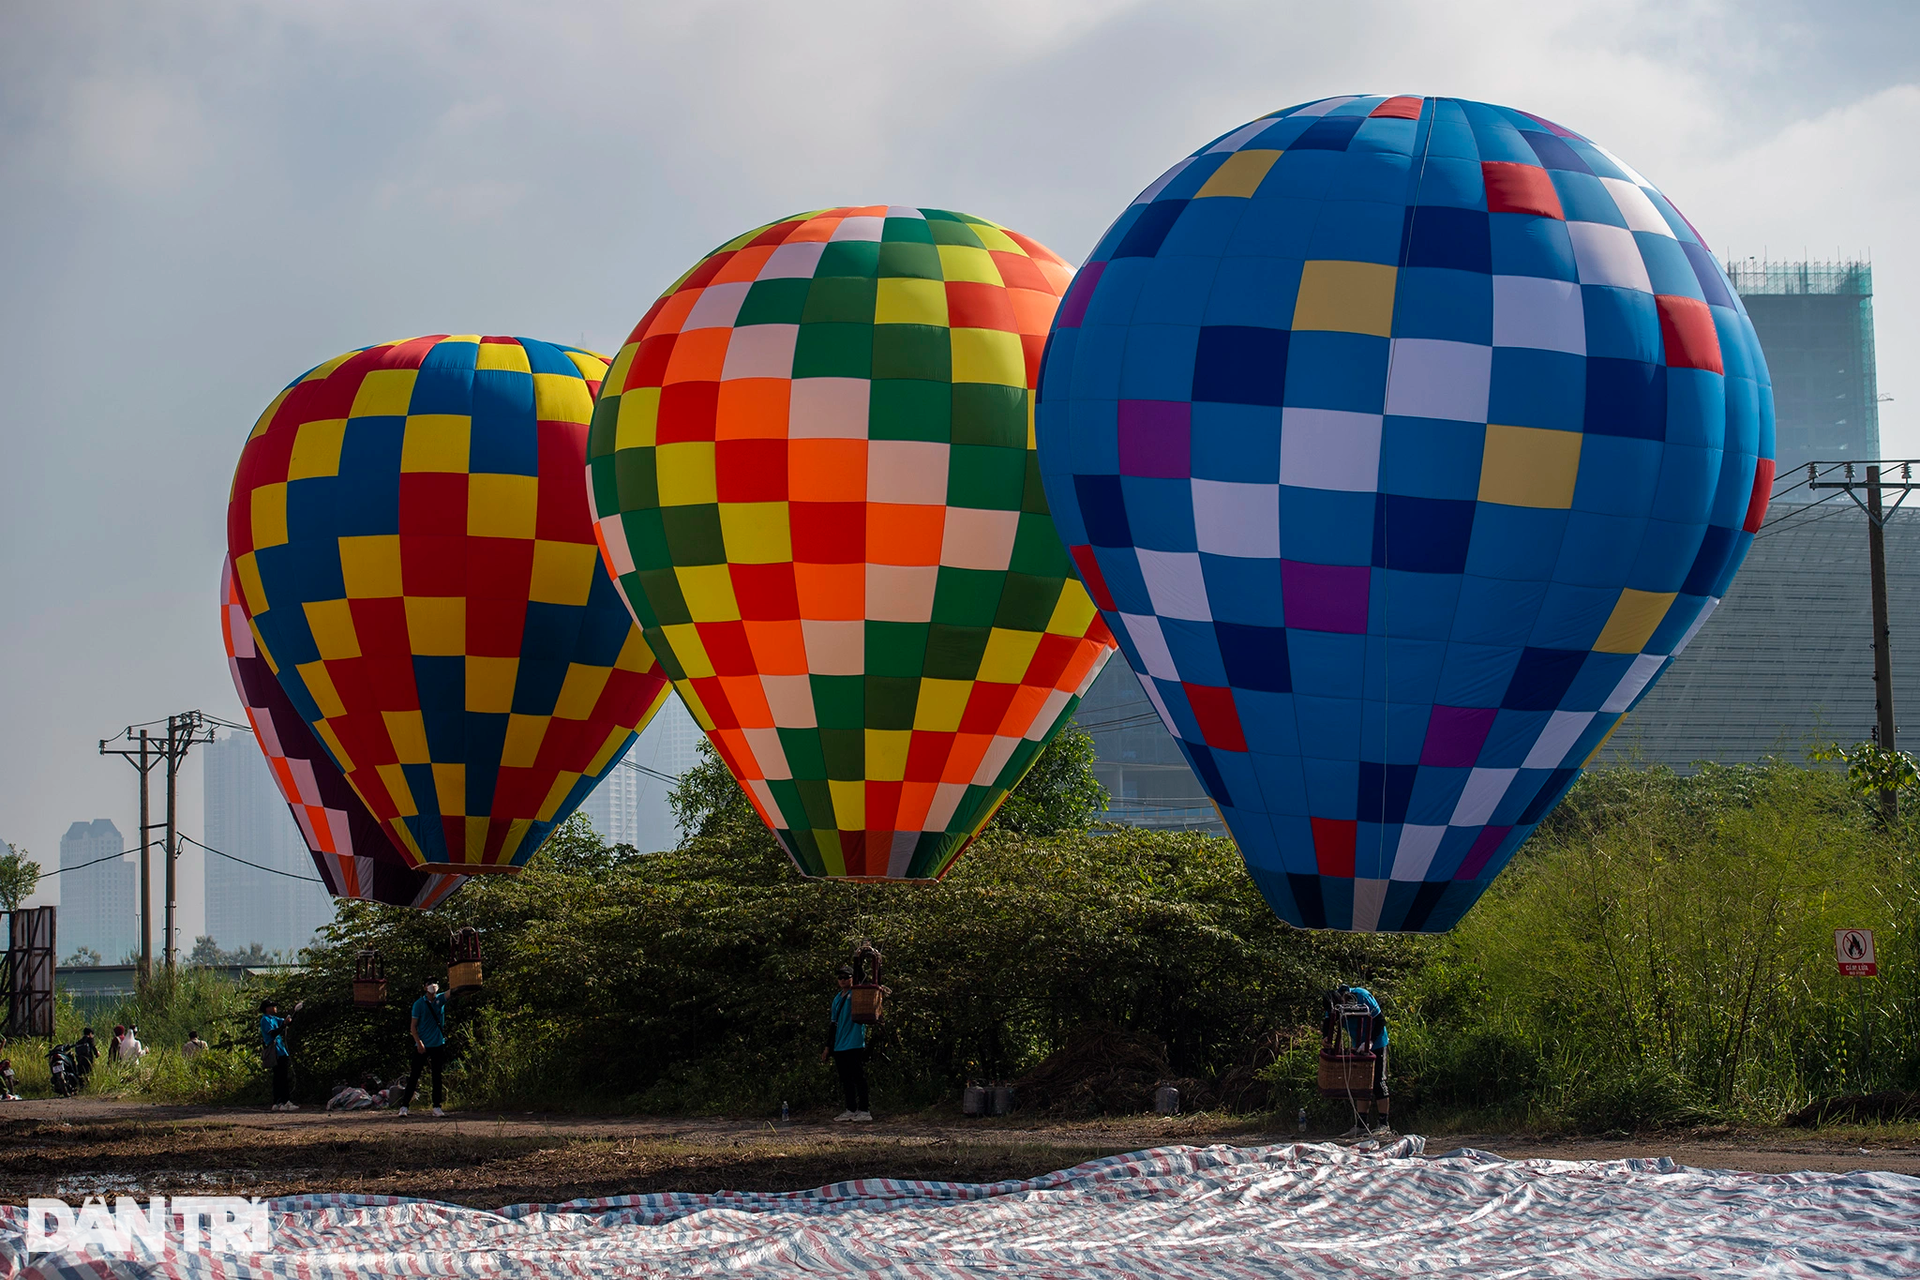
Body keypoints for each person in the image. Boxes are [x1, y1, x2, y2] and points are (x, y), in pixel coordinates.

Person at [1331, 984, 1390, 1136]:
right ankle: (1361, 1124)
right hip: (1358, 1044)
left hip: (1376, 1042)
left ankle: (1384, 1124)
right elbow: (1328, 1022)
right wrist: (1327, 1037)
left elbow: (1380, 1020)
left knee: (1378, 1081)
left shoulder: (1363, 996)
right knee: (1361, 1082)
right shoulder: (1335, 1005)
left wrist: (1370, 1041)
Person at [818, 964, 872, 1122]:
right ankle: (850, 1108)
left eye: (846, 977)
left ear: (852, 978)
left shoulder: (857, 994)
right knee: (845, 1078)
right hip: (839, 1044)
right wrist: (828, 1047)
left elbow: (865, 982)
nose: (842, 980)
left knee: (858, 1076)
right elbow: (833, 1023)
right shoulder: (837, 998)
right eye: (839, 978)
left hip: (854, 1041)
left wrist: (860, 960)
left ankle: (864, 1109)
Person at [398, 981, 450, 1118]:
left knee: (437, 1076)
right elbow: (413, 1027)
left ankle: (437, 1107)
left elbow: (453, 991)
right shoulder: (419, 1004)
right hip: (422, 1045)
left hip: (438, 1043)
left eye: (435, 983)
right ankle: (404, 1106)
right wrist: (419, 1043)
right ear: (425, 987)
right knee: (414, 1075)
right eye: (429, 983)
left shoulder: (440, 999)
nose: (433, 986)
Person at [260, 999, 303, 1111]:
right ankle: (283, 1101)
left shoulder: (274, 1019)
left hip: (281, 1051)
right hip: (275, 1052)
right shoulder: (265, 1020)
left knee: (281, 1077)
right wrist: (284, 1025)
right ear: (267, 1008)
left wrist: (296, 1012)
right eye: (273, 1006)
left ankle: (279, 1102)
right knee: (280, 1077)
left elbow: (287, 1022)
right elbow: (273, 1032)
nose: (275, 1007)